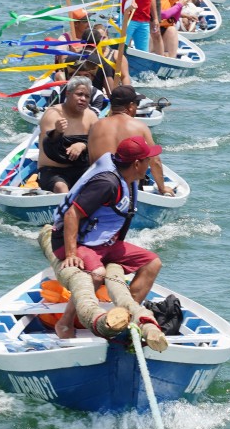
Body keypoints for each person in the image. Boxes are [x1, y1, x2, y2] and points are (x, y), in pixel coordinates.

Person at [49, 135, 165, 338]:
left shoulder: (128, 180)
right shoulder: (107, 183)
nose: (150, 164)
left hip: (104, 243)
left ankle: (126, 317)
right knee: (98, 273)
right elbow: (72, 214)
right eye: (148, 160)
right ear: (137, 164)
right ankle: (65, 323)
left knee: (152, 263)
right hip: (78, 242)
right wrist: (70, 254)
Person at [87, 85, 174, 196]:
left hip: (98, 186)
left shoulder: (95, 126)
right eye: (136, 104)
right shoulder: (140, 127)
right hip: (125, 189)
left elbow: (91, 160)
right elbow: (155, 161)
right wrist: (162, 188)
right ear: (131, 106)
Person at [36, 77, 99, 193]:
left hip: (81, 168)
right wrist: (57, 133)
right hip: (53, 170)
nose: (83, 99)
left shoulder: (91, 116)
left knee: (101, 185)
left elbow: (97, 144)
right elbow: (50, 150)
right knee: (61, 188)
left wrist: (82, 145)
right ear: (68, 94)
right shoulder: (52, 114)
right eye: (79, 94)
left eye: (87, 96)